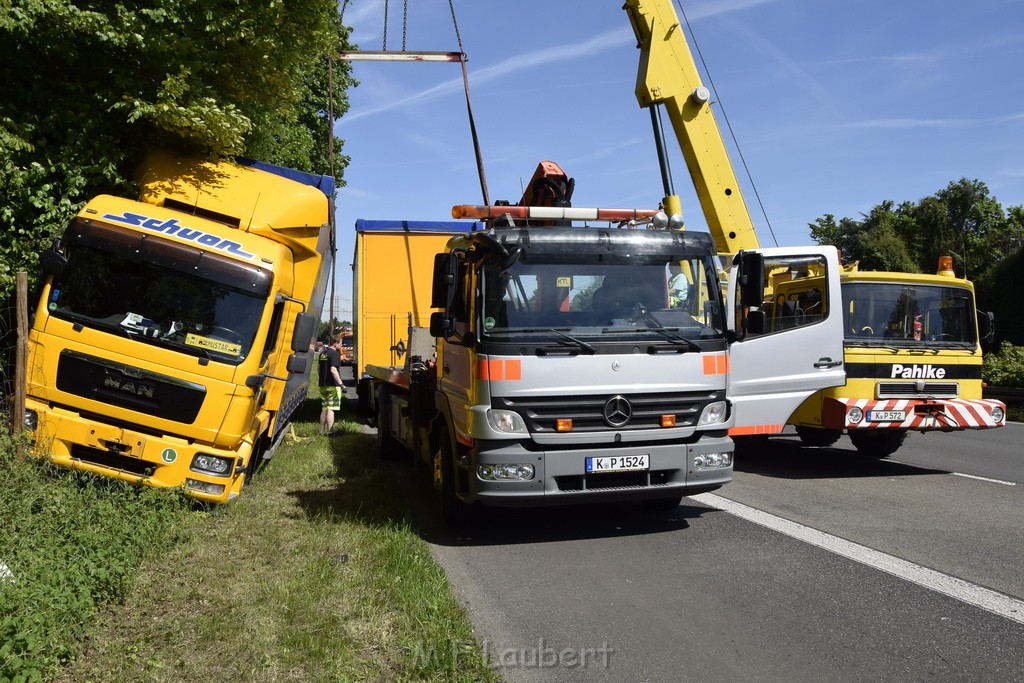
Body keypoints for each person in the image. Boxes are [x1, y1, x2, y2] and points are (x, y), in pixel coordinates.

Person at [318, 333, 345, 435]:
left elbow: (319, 368)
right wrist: (341, 384)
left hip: (322, 385)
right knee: (331, 409)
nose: (341, 346)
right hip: (332, 386)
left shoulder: (322, 353)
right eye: (340, 343)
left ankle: (321, 431)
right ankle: (330, 431)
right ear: (335, 343)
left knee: (324, 408)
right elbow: (333, 370)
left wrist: (323, 378)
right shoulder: (334, 354)